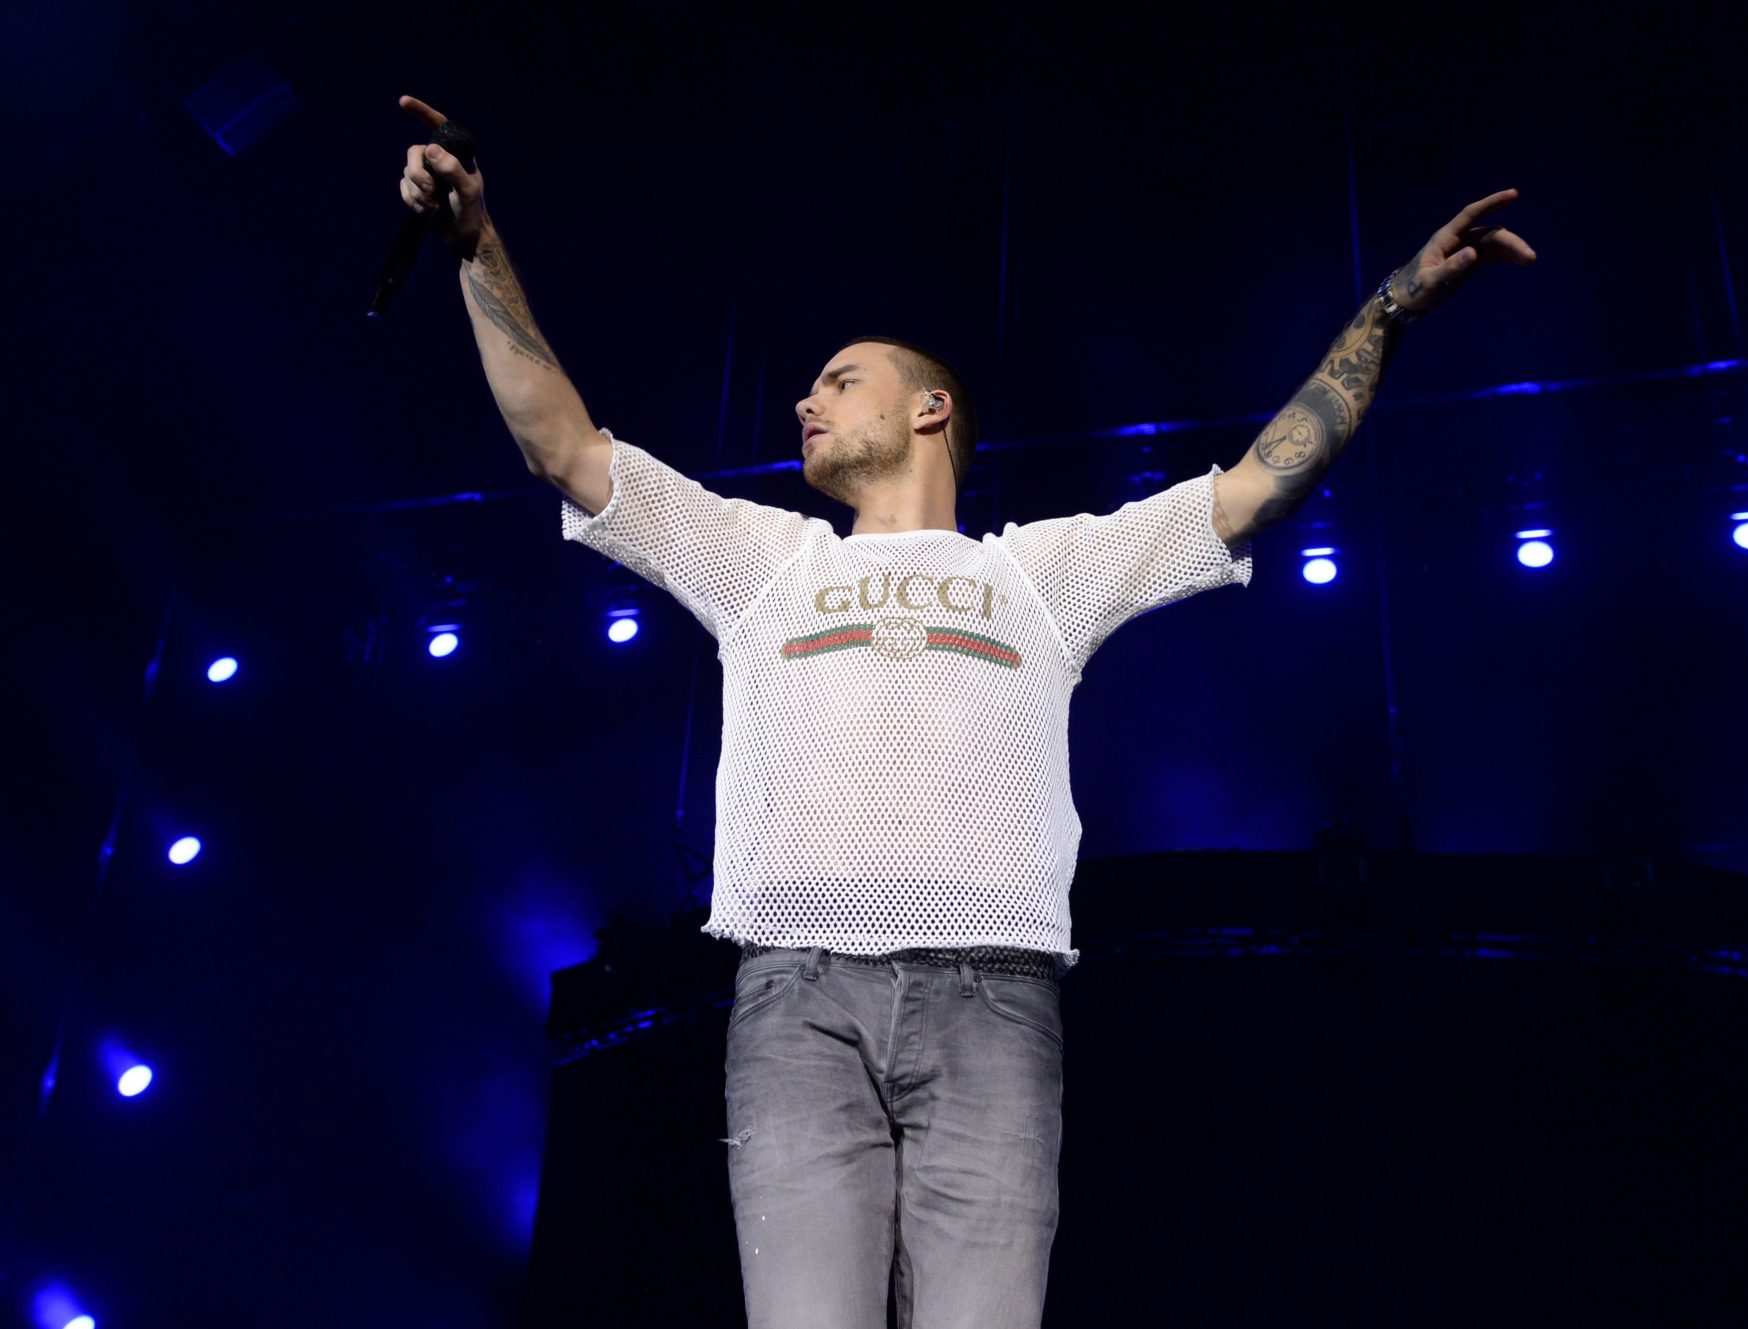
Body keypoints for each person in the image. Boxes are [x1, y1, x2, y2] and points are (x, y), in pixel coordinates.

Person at [396, 92, 1536, 1329]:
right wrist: (478, 248)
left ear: (929, 408)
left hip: (997, 1003)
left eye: (840, 381)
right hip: (797, 1001)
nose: (804, 403)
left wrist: (1386, 310)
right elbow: (565, 447)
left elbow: (1259, 485)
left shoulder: (1037, 573)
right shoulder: (764, 558)